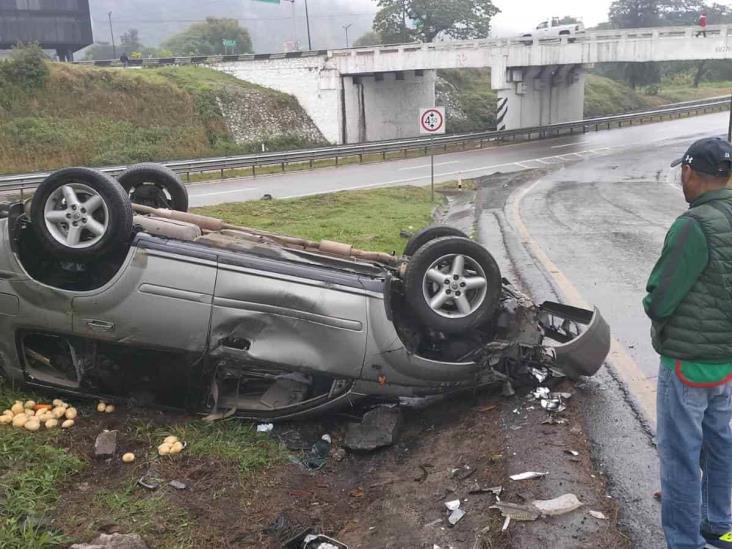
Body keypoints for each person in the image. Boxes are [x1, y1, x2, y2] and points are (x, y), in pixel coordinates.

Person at [644, 137, 732, 549]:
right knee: (720, 445)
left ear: (690, 173)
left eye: (685, 171)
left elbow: (661, 299)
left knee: (680, 458)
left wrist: (652, 305)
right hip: (725, 362)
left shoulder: (693, 225)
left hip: (686, 364)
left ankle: (684, 542)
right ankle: (720, 524)